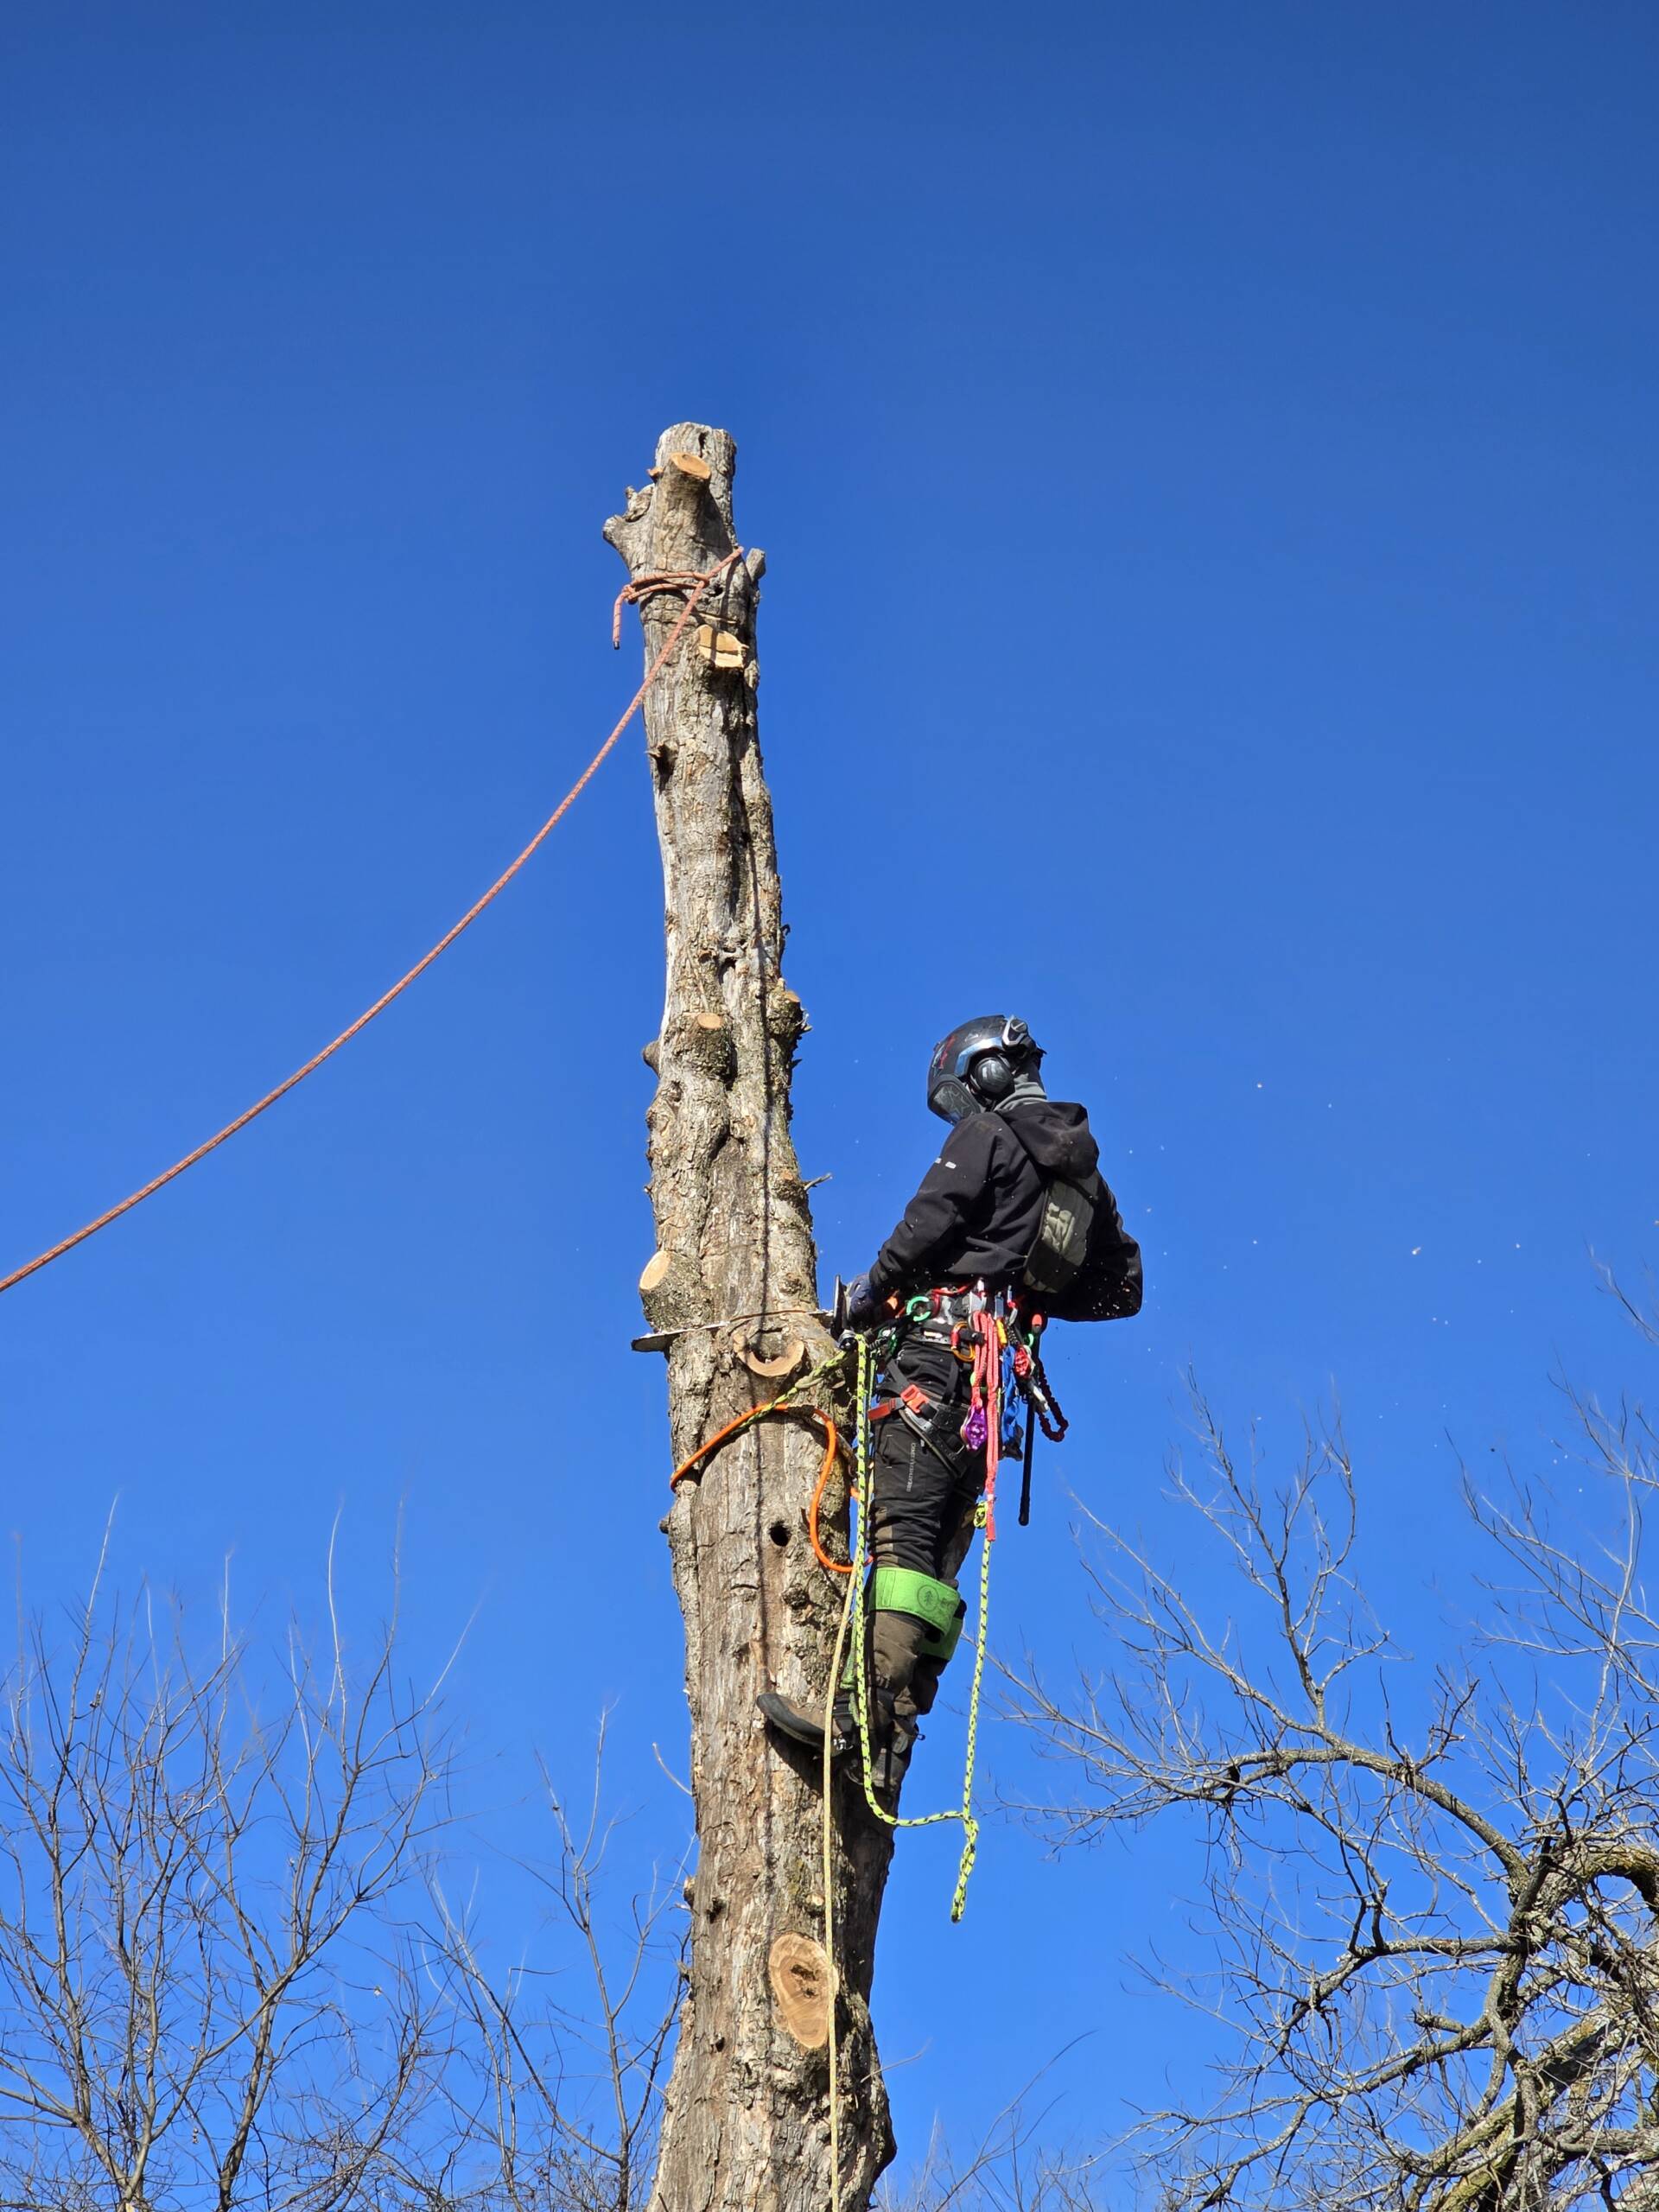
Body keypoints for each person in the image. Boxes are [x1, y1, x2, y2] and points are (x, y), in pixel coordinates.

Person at [757, 1014, 1141, 1802]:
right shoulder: (1086, 1187)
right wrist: (1027, 1292)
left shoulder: (989, 1136)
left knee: (901, 1539)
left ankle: (853, 1721)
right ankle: (893, 1742)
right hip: (992, 1400)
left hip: (934, 1365)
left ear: (988, 1073)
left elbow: (927, 1222)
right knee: (934, 1565)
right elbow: (1122, 1290)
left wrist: (869, 1295)